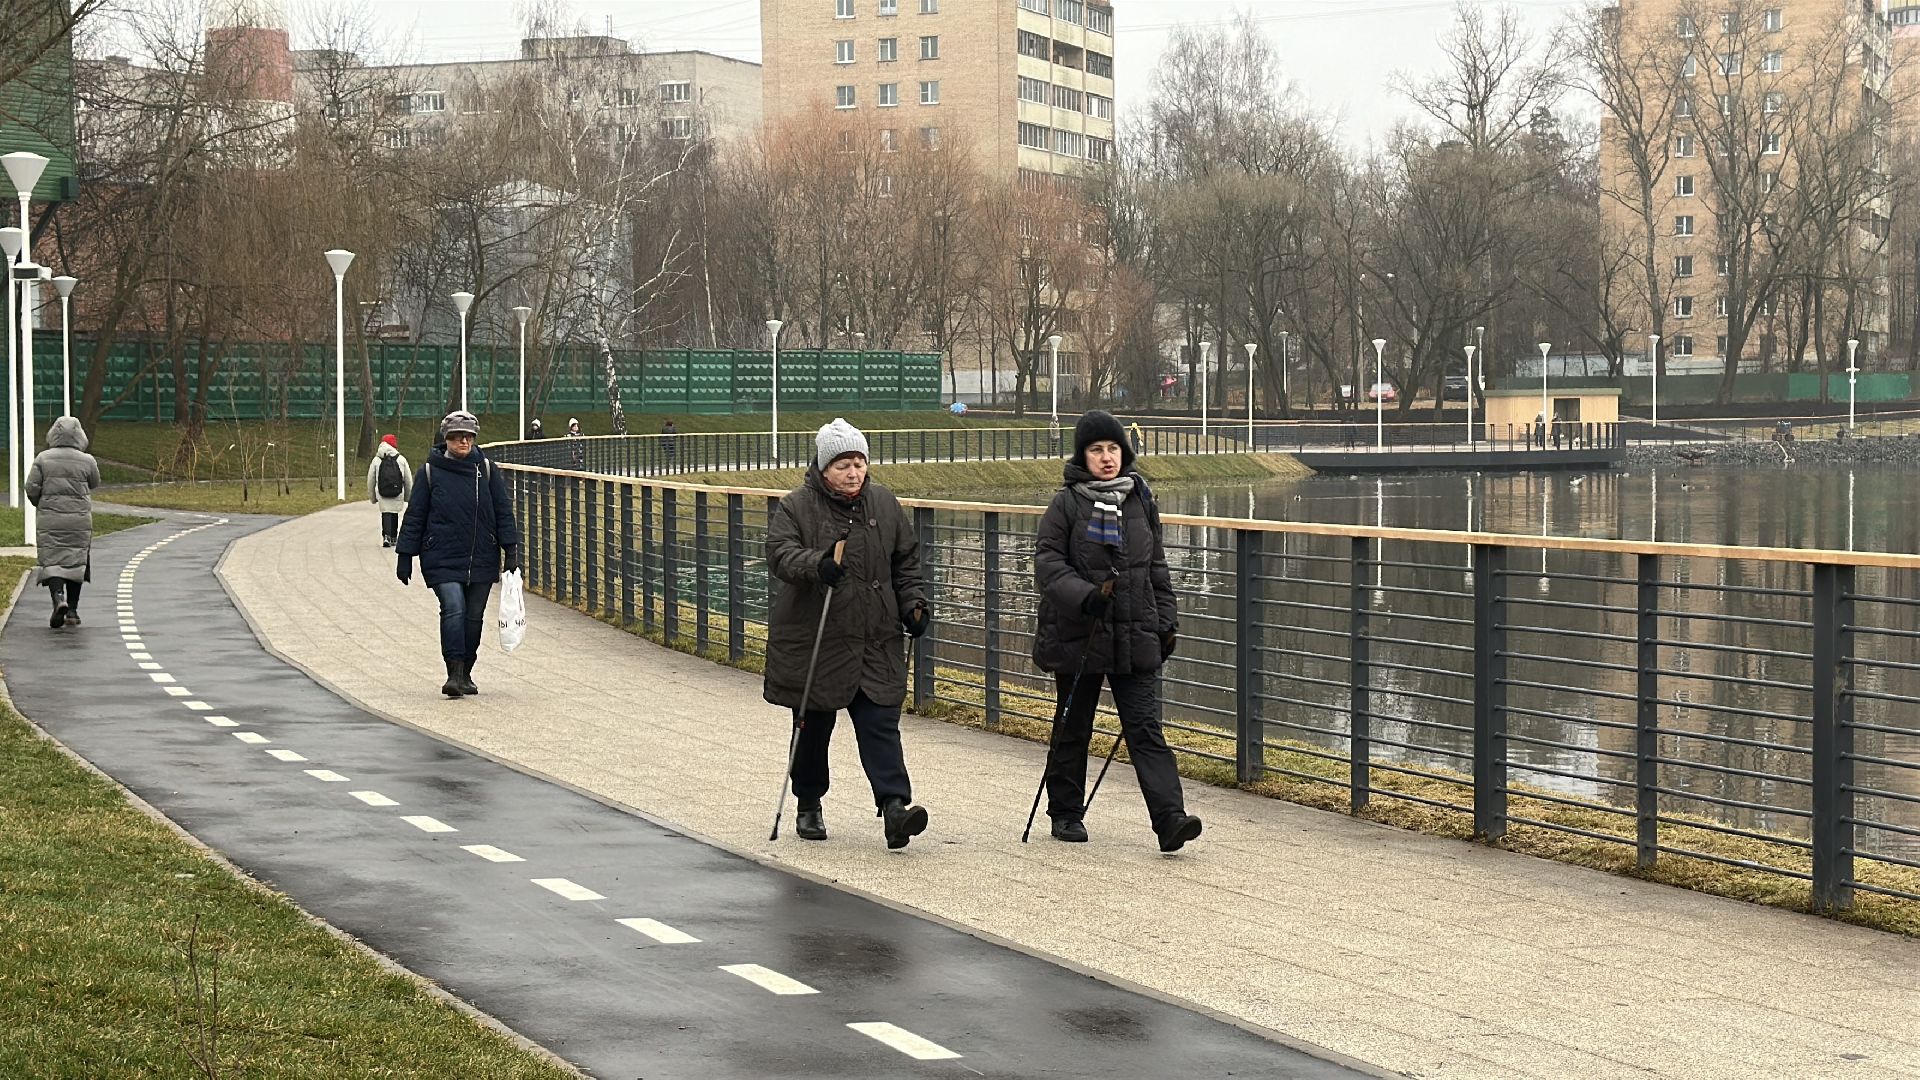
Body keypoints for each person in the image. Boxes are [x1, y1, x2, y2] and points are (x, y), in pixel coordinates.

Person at [1032, 410, 1202, 853]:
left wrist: (1167, 622)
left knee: (1144, 727)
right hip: (1080, 631)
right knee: (1074, 726)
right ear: (1082, 456)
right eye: (1096, 450)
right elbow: (1048, 564)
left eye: (1113, 449)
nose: (1106, 458)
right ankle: (1065, 813)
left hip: (1135, 632)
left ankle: (1170, 819)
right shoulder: (1066, 504)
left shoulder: (1140, 499)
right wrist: (1085, 596)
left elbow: (1156, 567)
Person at [765, 418, 931, 848]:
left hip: (875, 636)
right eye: (843, 465)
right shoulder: (796, 506)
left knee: (880, 724)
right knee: (813, 728)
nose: (853, 473)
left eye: (859, 463)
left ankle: (895, 809)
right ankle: (808, 803)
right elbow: (780, 554)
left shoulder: (884, 503)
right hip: (819, 638)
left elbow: (905, 563)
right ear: (824, 469)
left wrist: (914, 605)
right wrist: (817, 564)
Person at [395, 411, 521, 698]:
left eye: (468, 436)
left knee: (474, 616)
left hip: (481, 555)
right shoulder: (430, 471)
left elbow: (503, 511)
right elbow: (416, 515)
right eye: (456, 436)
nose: (463, 441)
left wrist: (510, 549)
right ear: (446, 439)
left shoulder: (486, 470)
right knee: (454, 608)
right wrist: (405, 554)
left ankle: (466, 672)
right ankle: (453, 672)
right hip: (442, 555)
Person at [27, 417, 100, 630]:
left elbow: (31, 487)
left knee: (53, 562)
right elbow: (95, 482)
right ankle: (73, 611)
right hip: (79, 520)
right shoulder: (87, 460)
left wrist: (40, 503)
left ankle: (58, 598)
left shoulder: (43, 458)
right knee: (76, 562)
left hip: (50, 518)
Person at [366, 433, 412, 548]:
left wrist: (372, 497)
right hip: (397, 492)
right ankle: (394, 537)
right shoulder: (401, 459)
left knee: (386, 512)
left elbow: (370, 480)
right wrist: (408, 497)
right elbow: (408, 479)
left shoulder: (376, 459)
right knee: (394, 512)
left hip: (382, 492)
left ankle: (386, 535)